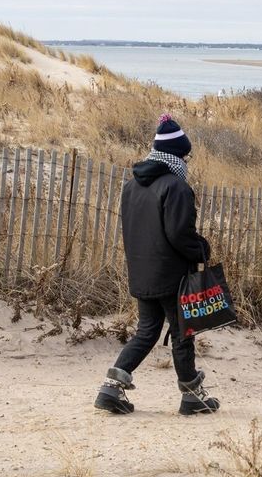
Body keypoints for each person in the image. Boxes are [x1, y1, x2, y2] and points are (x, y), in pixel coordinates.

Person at [94, 114, 220, 416]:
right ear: (175, 155)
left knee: (146, 331)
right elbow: (179, 234)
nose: (187, 161)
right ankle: (191, 396)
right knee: (182, 332)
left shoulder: (131, 186)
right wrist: (201, 248)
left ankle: (111, 388)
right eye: (184, 155)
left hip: (141, 270)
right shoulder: (175, 187)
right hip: (171, 274)